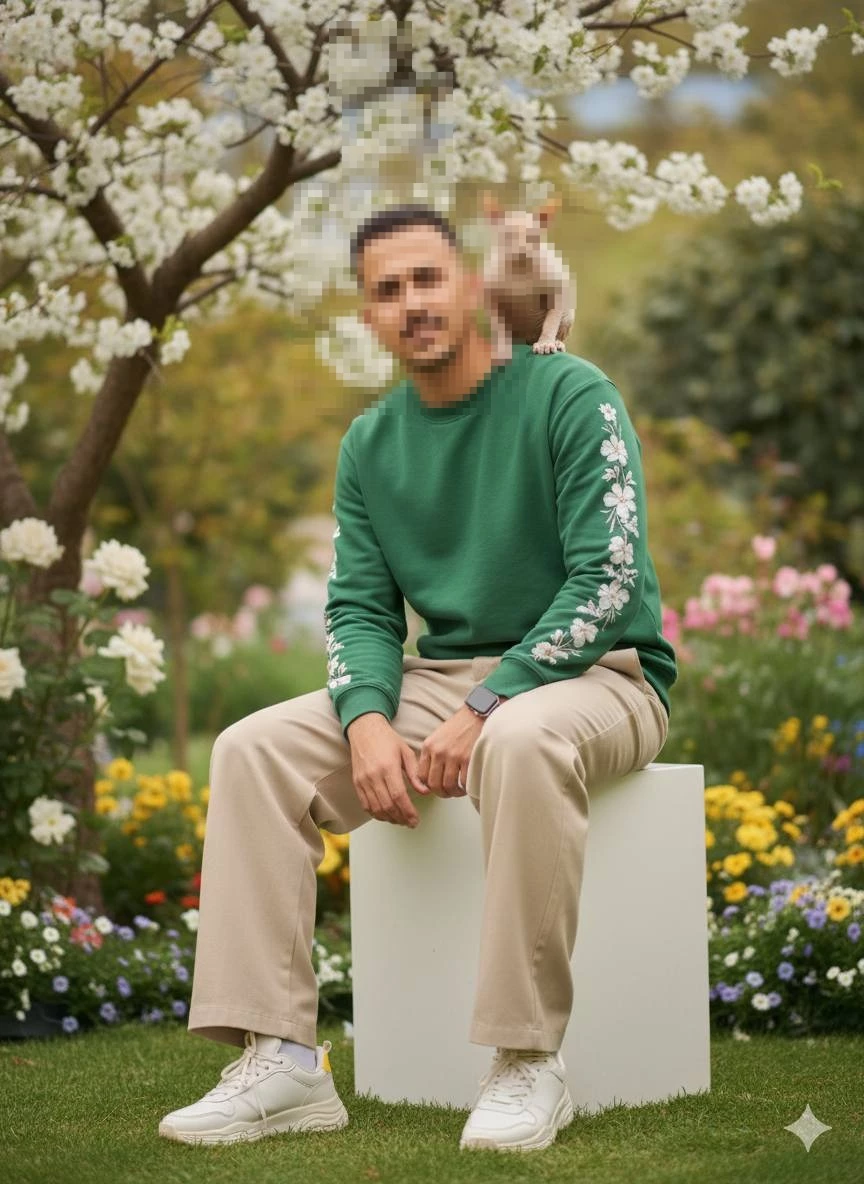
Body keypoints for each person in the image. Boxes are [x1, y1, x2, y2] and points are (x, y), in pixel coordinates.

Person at [158, 203, 678, 1153]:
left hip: (602, 672)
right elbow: (359, 607)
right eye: (387, 292)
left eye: (427, 280)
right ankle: (283, 1062)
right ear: (369, 317)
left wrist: (491, 700)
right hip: (441, 677)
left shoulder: (570, 394)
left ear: (472, 288)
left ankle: (527, 1063)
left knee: (520, 738)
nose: (412, 304)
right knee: (252, 750)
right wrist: (365, 718)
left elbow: (606, 579)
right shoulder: (372, 445)